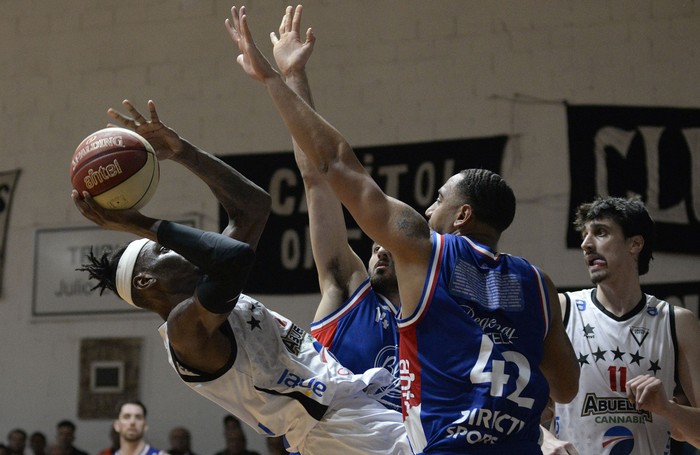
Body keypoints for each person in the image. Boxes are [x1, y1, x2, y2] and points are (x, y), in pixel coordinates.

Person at [227, 6, 581, 453]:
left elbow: (333, 163)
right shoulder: (537, 283)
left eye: (437, 200)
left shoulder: (428, 253)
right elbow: (566, 389)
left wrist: (276, 80)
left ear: (462, 216)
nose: (429, 210)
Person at [74, 100, 410, 455]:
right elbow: (235, 258)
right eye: (160, 250)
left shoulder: (209, 287)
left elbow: (254, 207)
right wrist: (139, 224)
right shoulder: (185, 332)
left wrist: (183, 152)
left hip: (352, 413)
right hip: (337, 433)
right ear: (146, 281)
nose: (173, 247)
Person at [272, 4, 401, 412]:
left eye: (390, 246)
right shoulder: (349, 291)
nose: (379, 249)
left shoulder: (439, 320)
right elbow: (316, 180)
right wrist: (293, 76)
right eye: (376, 244)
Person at [541, 196, 700, 454]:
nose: (586, 244)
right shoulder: (561, 309)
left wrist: (668, 409)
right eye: (584, 235)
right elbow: (517, 402)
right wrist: (544, 439)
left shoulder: (677, 322)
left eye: (600, 232)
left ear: (635, 243)